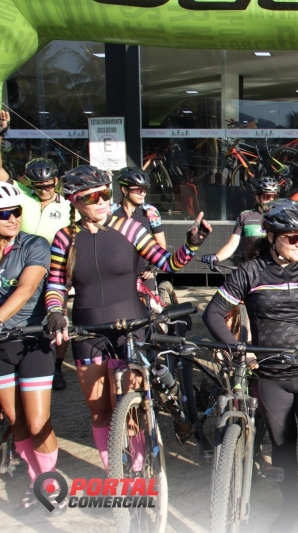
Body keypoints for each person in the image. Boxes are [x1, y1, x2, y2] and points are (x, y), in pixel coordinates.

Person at [44, 165, 211, 472]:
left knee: (131, 409)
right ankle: (116, 476)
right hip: (88, 330)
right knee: (100, 413)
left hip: (131, 326)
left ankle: (137, 469)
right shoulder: (64, 238)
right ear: (75, 202)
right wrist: (55, 311)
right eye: (92, 197)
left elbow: (166, 263)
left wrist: (191, 244)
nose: (101, 201)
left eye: (105, 194)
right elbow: (55, 284)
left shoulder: (130, 228)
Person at [203, 198, 298, 533]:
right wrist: (239, 349)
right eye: (293, 237)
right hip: (271, 376)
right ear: (272, 236)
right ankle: (290, 510)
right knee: (282, 448)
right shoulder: (250, 271)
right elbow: (213, 313)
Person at [0, 183, 62, 514]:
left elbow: (25, 289)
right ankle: (34, 479)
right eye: (4, 214)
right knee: (16, 420)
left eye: (16, 212)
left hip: (32, 338)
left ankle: (50, 483)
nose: (12, 218)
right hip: (1, 345)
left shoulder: (34, 244)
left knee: (38, 421)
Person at [0, 156, 72, 390]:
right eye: (38, 185)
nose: (44, 189)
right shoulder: (22, 200)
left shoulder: (67, 206)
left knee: (58, 316)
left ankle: (57, 366)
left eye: (48, 185)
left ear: (56, 181)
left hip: (55, 270)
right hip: (20, 265)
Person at [110, 166, 167, 302]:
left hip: (144, 272)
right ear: (124, 190)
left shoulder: (150, 212)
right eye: (137, 189)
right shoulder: (110, 212)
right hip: (117, 273)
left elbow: (161, 244)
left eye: (145, 189)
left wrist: (153, 268)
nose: (143, 193)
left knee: (152, 309)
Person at [201, 176, 279, 268]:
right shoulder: (245, 217)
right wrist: (216, 257)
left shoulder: (281, 217)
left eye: (274, 196)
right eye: (267, 196)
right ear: (257, 198)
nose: (271, 200)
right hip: (251, 270)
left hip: (274, 270)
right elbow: (231, 245)